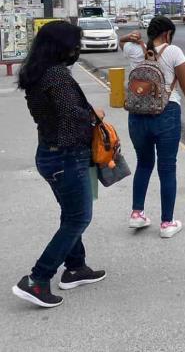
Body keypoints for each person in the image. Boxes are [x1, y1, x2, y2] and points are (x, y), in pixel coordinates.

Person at [13, 21, 106, 308]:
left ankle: (76, 267)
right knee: (79, 217)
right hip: (67, 156)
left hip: (50, 153)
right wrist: (95, 115)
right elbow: (69, 113)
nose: (76, 50)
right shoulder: (56, 74)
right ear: (59, 46)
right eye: (73, 44)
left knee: (71, 213)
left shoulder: (37, 72)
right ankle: (38, 279)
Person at [121, 16, 185, 238]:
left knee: (144, 163)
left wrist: (129, 36)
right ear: (167, 34)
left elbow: (121, 43)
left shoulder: (135, 50)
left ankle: (137, 214)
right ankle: (167, 223)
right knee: (167, 168)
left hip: (137, 115)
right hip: (166, 112)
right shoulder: (174, 51)